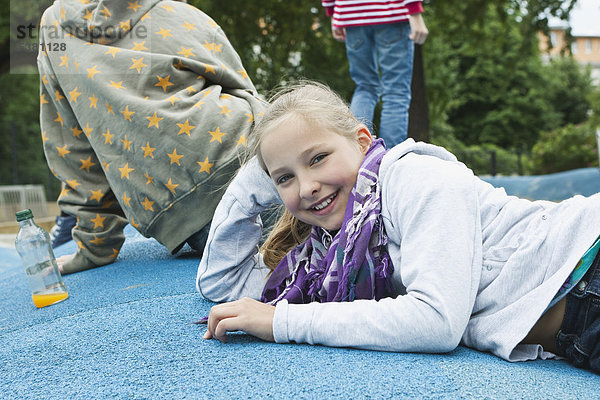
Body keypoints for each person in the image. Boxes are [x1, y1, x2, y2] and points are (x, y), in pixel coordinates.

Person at [197, 81, 600, 374]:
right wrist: (256, 177)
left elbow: (436, 321)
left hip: (588, 271)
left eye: (318, 158)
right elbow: (222, 285)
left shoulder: (416, 177)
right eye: (284, 178)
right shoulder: (328, 259)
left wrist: (281, 322)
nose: (307, 187)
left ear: (361, 140)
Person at [37, 0, 266, 273]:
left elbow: (73, 148)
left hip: (197, 211)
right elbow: (240, 85)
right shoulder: (174, 10)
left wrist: (95, 244)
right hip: (257, 156)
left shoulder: (54, 26)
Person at [322, 0, 428, 147]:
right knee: (396, 91)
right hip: (391, 14)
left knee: (365, 87)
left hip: (351, 14)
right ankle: (389, 159)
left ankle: (357, 150)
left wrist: (334, 13)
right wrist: (414, 10)